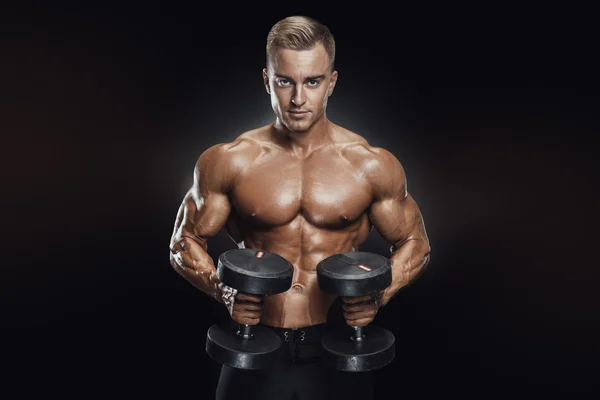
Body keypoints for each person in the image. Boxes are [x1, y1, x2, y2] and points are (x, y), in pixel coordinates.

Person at [169, 15, 431, 400]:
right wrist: (223, 291)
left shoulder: (370, 164)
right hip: (254, 345)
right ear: (266, 80)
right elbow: (182, 241)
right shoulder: (230, 161)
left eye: (312, 81)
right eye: (284, 81)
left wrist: (379, 294)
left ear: (332, 83)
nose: (297, 98)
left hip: (340, 347)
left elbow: (416, 243)